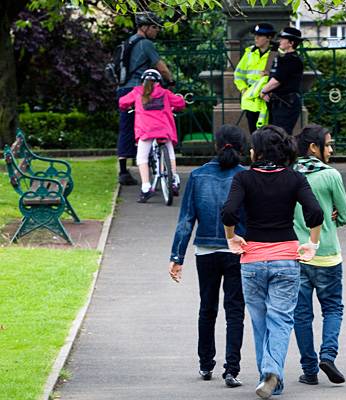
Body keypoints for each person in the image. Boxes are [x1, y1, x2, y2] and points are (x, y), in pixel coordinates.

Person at [221, 125, 324, 399]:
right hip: (286, 259)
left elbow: (229, 211)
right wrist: (312, 243)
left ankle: (268, 377)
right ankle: (271, 373)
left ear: (256, 152)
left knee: (259, 321)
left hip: (252, 259)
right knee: (280, 319)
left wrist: (232, 238)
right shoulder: (295, 179)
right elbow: (315, 211)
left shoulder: (243, 179)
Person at [168, 125, 247, 388]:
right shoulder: (244, 176)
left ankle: (205, 364)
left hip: (206, 250)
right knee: (235, 310)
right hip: (237, 250)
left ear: (216, 145)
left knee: (207, 308)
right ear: (241, 146)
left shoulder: (198, 175)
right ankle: (232, 369)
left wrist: (177, 256)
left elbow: (186, 220)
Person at [292, 125, 346, 386]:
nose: (331, 149)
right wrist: (332, 219)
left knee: (301, 314)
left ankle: (309, 369)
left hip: (297, 255)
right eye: (327, 145)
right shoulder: (330, 176)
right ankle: (328, 354)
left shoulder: (290, 174)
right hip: (327, 254)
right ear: (313, 148)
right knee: (333, 308)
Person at [116, 11, 175, 186]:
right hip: (140, 91)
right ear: (145, 27)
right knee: (150, 124)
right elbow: (161, 67)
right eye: (154, 27)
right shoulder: (146, 44)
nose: (157, 30)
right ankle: (152, 167)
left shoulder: (128, 42)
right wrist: (170, 81)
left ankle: (124, 170)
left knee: (126, 128)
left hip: (123, 90)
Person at [118, 69, 184, 203]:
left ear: (143, 81)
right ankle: (174, 178)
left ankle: (146, 187)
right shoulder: (165, 93)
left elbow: (122, 102)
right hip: (163, 129)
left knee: (142, 157)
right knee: (170, 152)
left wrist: (129, 106)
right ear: (159, 81)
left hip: (146, 130)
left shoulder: (137, 92)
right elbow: (180, 104)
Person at [260, 27, 304, 135]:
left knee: (281, 135)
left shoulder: (291, 59)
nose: (280, 41)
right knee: (276, 134)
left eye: (283, 39)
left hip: (287, 103)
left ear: (291, 43)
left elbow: (277, 80)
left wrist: (263, 91)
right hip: (282, 102)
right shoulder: (286, 58)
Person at [234, 23, 277, 133]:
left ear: (269, 38)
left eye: (260, 35)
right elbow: (238, 74)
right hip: (252, 101)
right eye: (255, 35)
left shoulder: (276, 54)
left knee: (269, 134)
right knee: (254, 133)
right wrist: (243, 89)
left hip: (268, 99)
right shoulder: (249, 53)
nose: (256, 38)